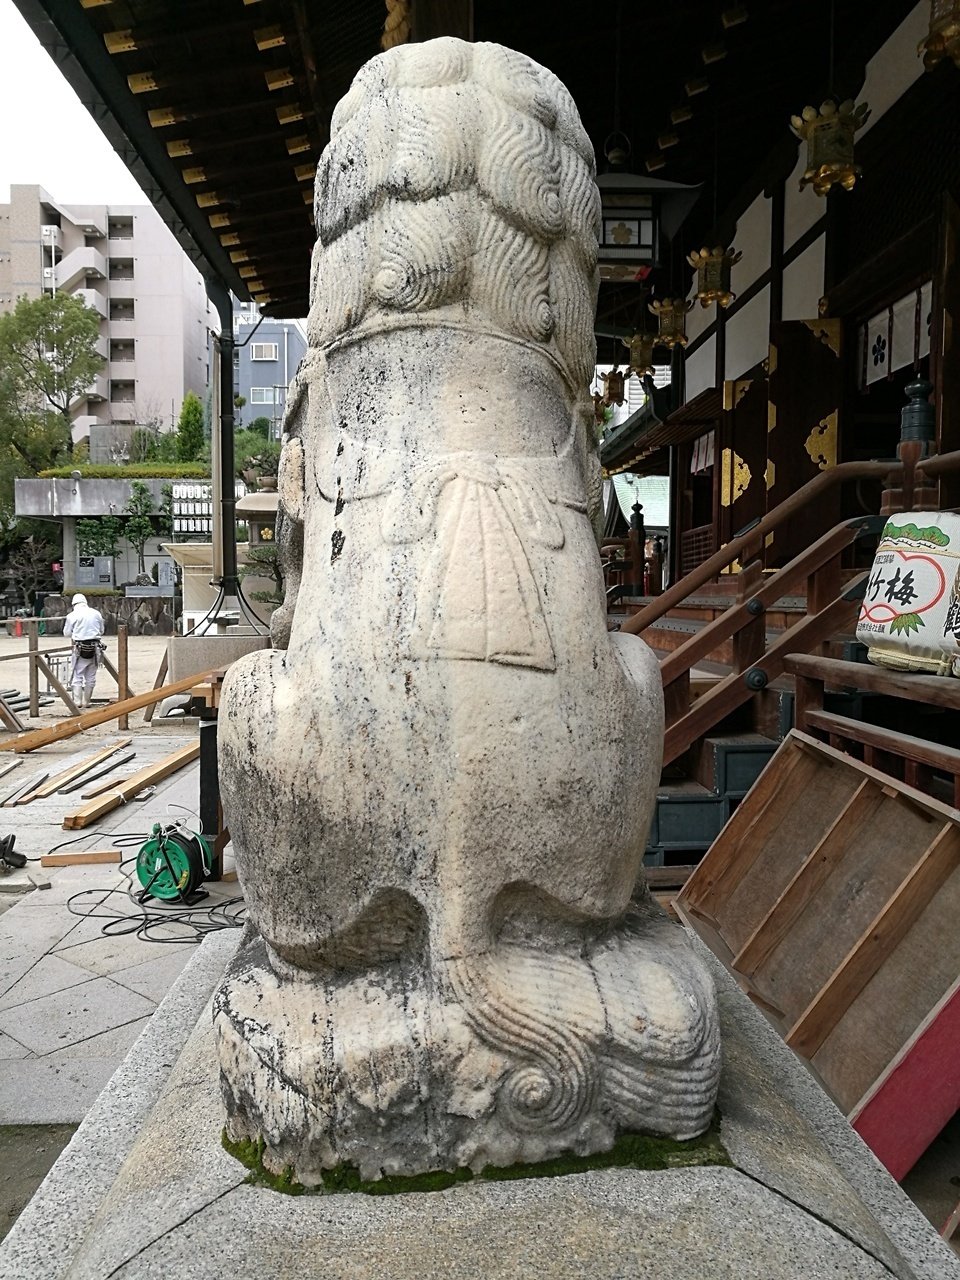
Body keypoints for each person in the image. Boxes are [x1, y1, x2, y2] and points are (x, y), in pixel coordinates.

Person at [63, 593, 105, 709]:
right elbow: (101, 630)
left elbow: (66, 633)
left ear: (73, 604)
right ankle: (87, 701)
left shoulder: (72, 615)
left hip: (80, 647)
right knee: (91, 676)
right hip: (95, 648)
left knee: (77, 675)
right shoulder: (96, 613)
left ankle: (77, 702)